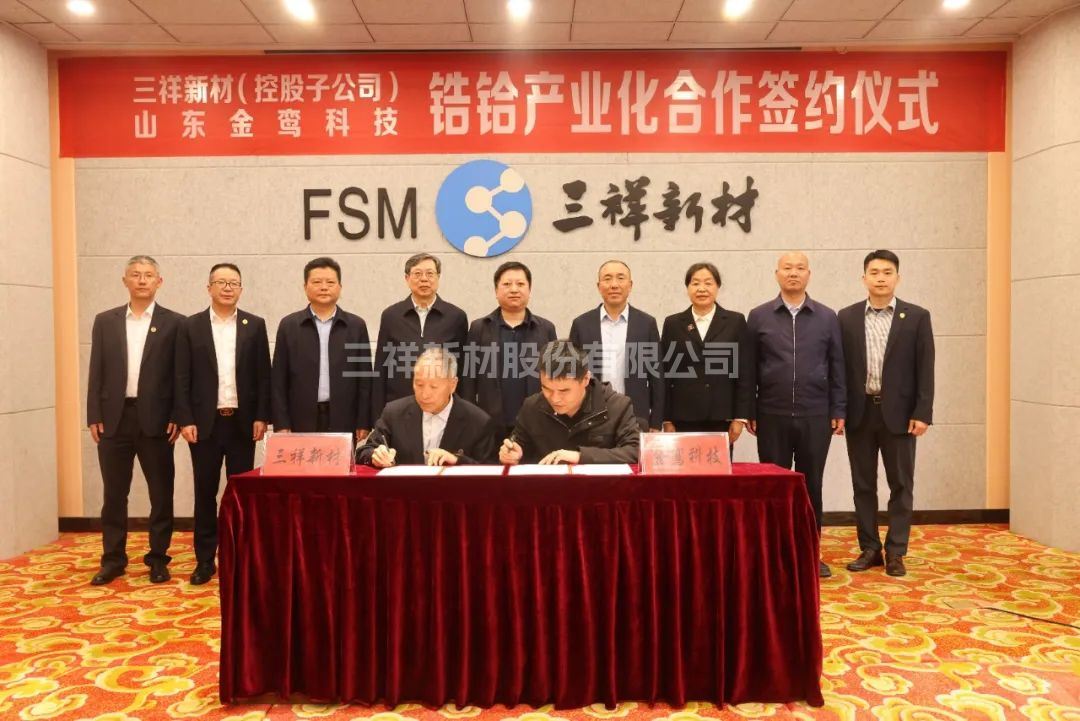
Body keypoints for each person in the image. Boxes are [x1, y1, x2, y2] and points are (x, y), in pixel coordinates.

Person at [746, 251, 846, 578]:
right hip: (771, 414)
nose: (793, 273)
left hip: (815, 414)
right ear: (777, 274)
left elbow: (837, 366)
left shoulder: (827, 317)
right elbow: (749, 369)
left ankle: (809, 553)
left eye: (800, 268)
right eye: (787, 268)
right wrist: (749, 410)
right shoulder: (759, 316)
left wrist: (838, 408)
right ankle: (772, 554)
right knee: (772, 488)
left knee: (810, 486)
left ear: (809, 274)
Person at [86, 255, 183, 585]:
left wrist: (177, 415)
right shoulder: (105, 321)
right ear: (125, 281)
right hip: (114, 418)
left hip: (157, 420)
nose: (142, 280)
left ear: (159, 281)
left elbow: (180, 375)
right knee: (114, 494)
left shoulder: (175, 323)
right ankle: (113, 559)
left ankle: (158, 558)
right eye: (136, 275)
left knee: (161, 493)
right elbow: (96, 370)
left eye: (148, 275)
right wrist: (94, 414)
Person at [838, 250, 935, 578]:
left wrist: (923, 412)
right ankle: (869, 548)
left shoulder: (917, 317)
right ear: (863, 278)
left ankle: (896, 551)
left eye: (887, 272)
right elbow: (839, 369)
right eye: (874, 272)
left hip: (901, 415)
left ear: (898, 278)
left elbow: (925, 367)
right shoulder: (846, 317)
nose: (881, 278)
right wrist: (838, 410)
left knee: (901, 485)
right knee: (863, 484)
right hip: (860, 412)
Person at [174, 262, 271, 585]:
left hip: (242, 424)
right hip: (204, 425)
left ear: (241, 289)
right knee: (205, 492)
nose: (228, 288)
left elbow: (263, 375)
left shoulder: (254, 325)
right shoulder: (191, 326)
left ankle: (240, 555)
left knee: (240, 494)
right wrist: (185, 419)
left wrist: (262, 416)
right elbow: (181, 376)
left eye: (234, 283)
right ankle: (205, 559)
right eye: (221, 282)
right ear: (209, 288)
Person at [271, 257, 372, 438]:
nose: (324, 287)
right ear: (305, 287)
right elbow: (278, 379)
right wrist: (281, 422)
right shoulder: (289, 325)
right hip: (299, 419)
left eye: (330, 282)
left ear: (340, 287)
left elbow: (364, 377)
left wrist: (363, 420)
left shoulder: (356, 326)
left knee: (341, 459)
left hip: (344, 418)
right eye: (317, 282)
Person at [498, 341, 640, 466]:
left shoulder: (617, 406)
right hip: (548, 486)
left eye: (564, 391)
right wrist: (512, 454)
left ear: (585, 379)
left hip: (601, 486)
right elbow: (517, 445)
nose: (555, 399)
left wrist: (580, 457)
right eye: (547, 389)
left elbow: (635, 452)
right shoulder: (532, 406)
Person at [459, 261, 557, 436]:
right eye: (506, 284)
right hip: (489, 422)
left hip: (537, 422)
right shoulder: (479, 328)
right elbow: (468, 380)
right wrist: (470, 417)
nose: (514, 289)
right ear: (496, 291)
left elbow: (554, 376)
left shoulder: (546, 328)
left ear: (529, 289)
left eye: (520, 284)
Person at [356, 347, 498, 467]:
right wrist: (375, 455)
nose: (424, 394)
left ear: (453, 385)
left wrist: (456, 460)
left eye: (434, 386)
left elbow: (490, 471)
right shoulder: (394, 413)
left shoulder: (478, 421)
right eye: (419, 384)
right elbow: (363, 452)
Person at [569, 259, 664, 431]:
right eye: (607, 279)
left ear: (630, 285)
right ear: (599, 286)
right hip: (590, 416)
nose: (614, 285)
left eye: (620, 278)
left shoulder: (646, 323)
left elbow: (656, 376)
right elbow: (573, 375)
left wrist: (656, 422)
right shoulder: (581, 324)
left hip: (635, 416)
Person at [659, 262, 752, 438]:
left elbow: (745, 371)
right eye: (695, 283)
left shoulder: (735, 321)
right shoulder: (673, 323)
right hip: (682, 417)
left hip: (722, 416)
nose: (701, 289)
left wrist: (740, 418)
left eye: (708, 283)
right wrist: (666, 418)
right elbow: (665, 372)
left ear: (718, 287)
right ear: (687, 288)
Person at [371, 253, 468, 420]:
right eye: (417, 274)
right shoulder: (391, 316)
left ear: (438, 277)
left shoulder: (456, 316)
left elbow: (463, 368)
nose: (424, 279)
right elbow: (381, 367)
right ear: (407, 278)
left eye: (430, 274)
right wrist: (376, 416)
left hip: (442, 408)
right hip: (398, 407)